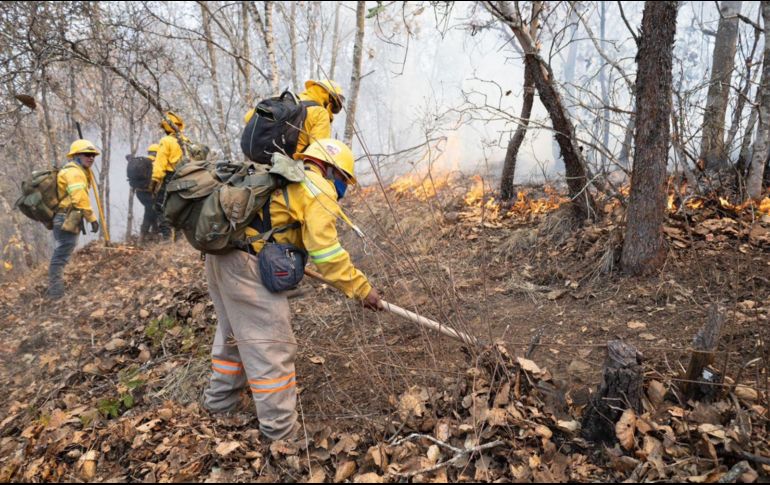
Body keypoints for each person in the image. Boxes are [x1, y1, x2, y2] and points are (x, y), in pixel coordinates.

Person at [202, 138, 380, 441]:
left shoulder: (286, 176)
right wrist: (362, 289)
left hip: (220, 258)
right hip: (247, 267)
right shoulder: (318, 187)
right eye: (344, 179)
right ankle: (282, 435)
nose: (343, 188)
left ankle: (219, 406)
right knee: (271, 347)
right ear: (331, 169)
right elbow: (327, 254)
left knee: (233, 336)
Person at [47, 139, 100, 299]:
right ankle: (56, 294)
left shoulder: (77, 170)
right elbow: (79, 199)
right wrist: (91, 218)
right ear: (76, 155)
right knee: (61, 255)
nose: (91, 158)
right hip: (65, 217)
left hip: (67, 216)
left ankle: (56, 290)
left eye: (93, 155)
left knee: (63, 252)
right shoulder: (75, 173)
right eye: (87, 154)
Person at [243, 79, 345, 158]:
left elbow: (248, 117)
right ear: (331, 99)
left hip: (258, 154)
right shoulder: (320, 113)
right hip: (290, 164)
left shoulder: (284, 99)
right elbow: (318, 151)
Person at [151, 112, 189, 239]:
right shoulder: (185, 141)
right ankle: (179, 237)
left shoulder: (166, 141)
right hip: (186, 177)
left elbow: (160, 163)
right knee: (180, 208)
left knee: (160, 206)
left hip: (171, 177)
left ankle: (167, 237)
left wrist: (154, 181)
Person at [135, 144, 160, 241]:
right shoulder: (156, 163)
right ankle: (143, 235)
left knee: (151, 210)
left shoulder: (143, 162)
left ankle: (154, 233)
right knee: (150, 211)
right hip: (150, 192)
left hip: (139, 192)